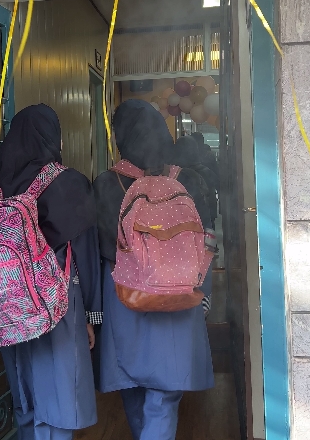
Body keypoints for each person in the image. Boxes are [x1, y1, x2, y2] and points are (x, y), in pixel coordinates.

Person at [93, 100, 214, 440]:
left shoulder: (105, 183)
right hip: (179, 290)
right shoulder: (187, 179)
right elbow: (207, 239)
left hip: (123, 292)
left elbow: (100, 244)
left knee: (131, 382)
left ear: (120, 137)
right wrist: (206, 292)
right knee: (165, 391)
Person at [0, 104, 101, 440]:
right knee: (57, 395)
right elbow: (84, 252)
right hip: (56, 302)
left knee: (24, 393)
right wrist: (91, 315)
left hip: (9, 305)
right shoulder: (69, 182)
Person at [170, 136, 218, 230]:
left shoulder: (173, 175)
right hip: (206, 217)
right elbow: (215, 189)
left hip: (181, 220)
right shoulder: (205, 171)